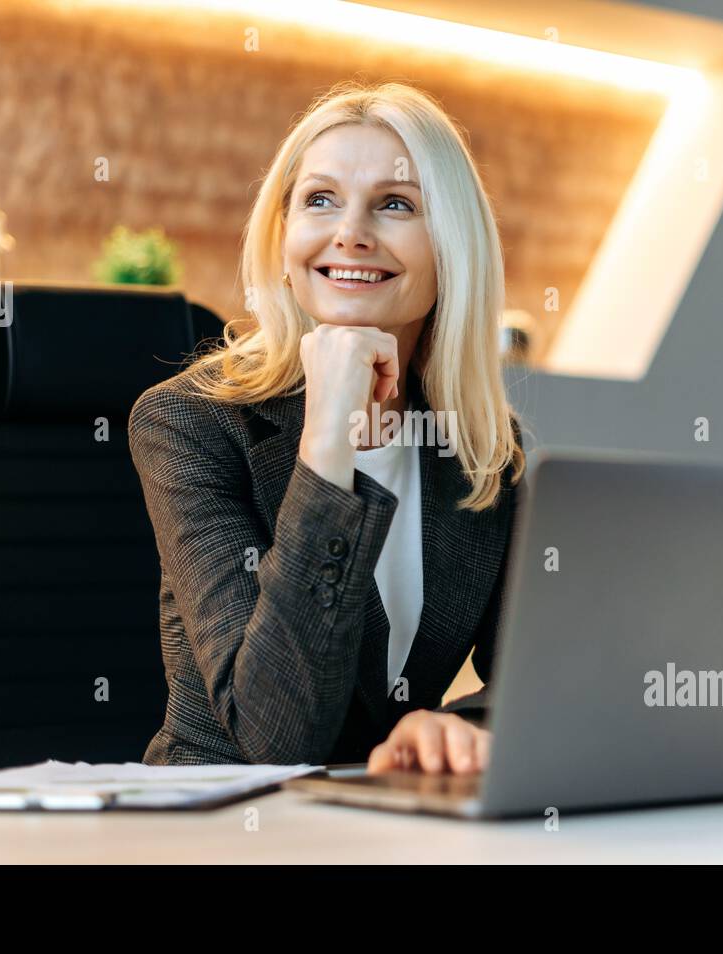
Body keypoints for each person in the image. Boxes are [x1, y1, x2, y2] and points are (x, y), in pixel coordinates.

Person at [129, 81, 525, 775]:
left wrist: (448, 727)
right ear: (282, 236)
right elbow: (274, 739)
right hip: (223, 826)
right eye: (319, 200)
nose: (350, 233)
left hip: (393, 815)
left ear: (452, 247)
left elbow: (535, 676)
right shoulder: (190, 423)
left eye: (396, 204)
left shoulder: (486, 447)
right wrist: (326, 446)